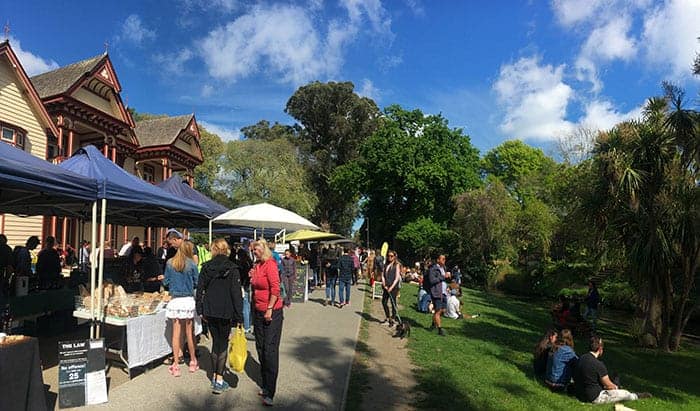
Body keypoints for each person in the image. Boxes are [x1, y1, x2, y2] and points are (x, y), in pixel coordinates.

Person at [196, 238, 243, 394]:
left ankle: (216, 377)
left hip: (209, 309)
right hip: (225, 310)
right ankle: (219, 379)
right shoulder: (233, 268)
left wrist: (200, 309)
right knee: (222, 345)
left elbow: (199, 290)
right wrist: (239, 316)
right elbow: (236, 295)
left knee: (216, 343)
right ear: (226, 249)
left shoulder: (206, 267)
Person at [250, 240, 284, 406]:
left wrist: (270, 308)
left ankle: (270, 391)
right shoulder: (257, 265)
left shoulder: (270, 264)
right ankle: (265, 384)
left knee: (270, 350)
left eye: (256, 249)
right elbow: (256, 286)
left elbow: (275, 289)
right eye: (253, 249)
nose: (254, 252)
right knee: (260, 347)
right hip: (258, 310)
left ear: (263, 250)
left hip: (272, 312)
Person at [574, 335, 651, 404]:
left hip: (580, 394)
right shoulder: (598, 364)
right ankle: (636, 396)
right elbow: (609, 386)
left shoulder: (581, 358)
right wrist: (616, 387)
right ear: (600, 349)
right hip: (594, 397)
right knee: (625, 393)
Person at [163, 241, 199, 377]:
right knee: (189, 333)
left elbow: (166, 282)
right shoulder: (191, 264)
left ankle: (176, 364)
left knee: (176, 334)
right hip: (188, 300)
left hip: (176, 300)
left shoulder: (170, 263)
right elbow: (197, 282)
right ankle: (193, 361)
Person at [428, 254, 450, 336]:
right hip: (437, 293)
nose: (444, 260)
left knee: (442, 310)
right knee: (438, 310)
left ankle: (433, 324)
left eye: (445, 259)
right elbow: (432, 280)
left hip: (444, 293)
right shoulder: (433, 269)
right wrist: (443, 277)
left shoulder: (443, 268)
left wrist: (448, 277)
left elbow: (443, 280)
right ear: (438, 260)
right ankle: (440, 329)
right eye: (443, 259)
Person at [234, 244, 254, 333]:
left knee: (245, 305)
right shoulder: (249, 262)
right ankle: (248, 324)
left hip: (243, 285)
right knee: (248, 305)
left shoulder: (241, 264)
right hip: (248, 284)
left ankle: (246, 326)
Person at [381, 250, 401, 326]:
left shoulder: (397, 265)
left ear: (395, 257)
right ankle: (387, 317)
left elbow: (397, 278)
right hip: (386, 286)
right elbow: (383, 275)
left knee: (393, 303)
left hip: (393, 287)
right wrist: (384, 284)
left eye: (391, 256)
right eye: (388, 256)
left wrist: (392, 287)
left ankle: (393, 318)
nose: (389, 257)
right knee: (384, 302)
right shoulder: (385, 264)